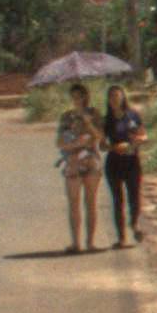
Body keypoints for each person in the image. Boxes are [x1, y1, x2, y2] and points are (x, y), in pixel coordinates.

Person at [57, 96, 104, 255]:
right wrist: (77, 144)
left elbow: (99, 137)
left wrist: (88, 123)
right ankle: (76, 242)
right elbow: (60, 142)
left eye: (80, 95)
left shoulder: (94, 114)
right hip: (72, 163)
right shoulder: (66, 117)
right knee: (74, 202)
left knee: (91, 202)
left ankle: (90, 242)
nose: (77, 99)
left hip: (91, 162)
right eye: (74, 95)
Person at [102, 88, 147, 246]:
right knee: (117, 200)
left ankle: (134, 224)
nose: (114, 99)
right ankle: (121, 237)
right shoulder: (107, 120)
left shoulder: (132, 116)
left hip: (132, 161)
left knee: (134, 196)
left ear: (123, 97)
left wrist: (134, 142)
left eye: (117, 96)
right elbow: (102, 144)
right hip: (114, 162)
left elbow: (143, 135)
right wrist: (113, 147)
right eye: (111, 97)